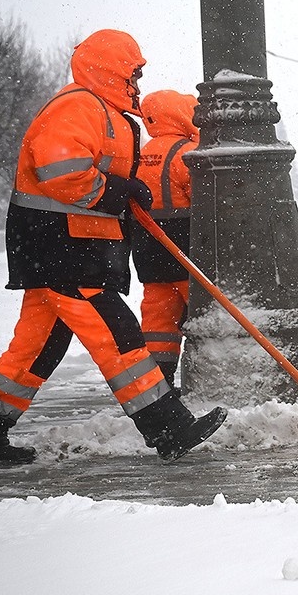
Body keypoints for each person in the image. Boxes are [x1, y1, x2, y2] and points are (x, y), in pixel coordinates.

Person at [0, 30, 226, 467]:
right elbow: (62, 171)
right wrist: (119, 190)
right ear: (111, 69)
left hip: (67, 250)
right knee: (118, 337)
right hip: (62, 250)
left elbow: (89, 179)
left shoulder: (105, 112)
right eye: (133, 71)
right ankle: (168, 428)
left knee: (35, 349)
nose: (137, 80)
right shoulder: (78, 105)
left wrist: (127, 193)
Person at [132, 89, 199, 390]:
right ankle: (208, 363)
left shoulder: (139, 153)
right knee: (200, 310)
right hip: (183, 248)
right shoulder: (186, 154)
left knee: (158, 318)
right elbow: (203, 200)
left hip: (147, 250)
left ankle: (158, 382)